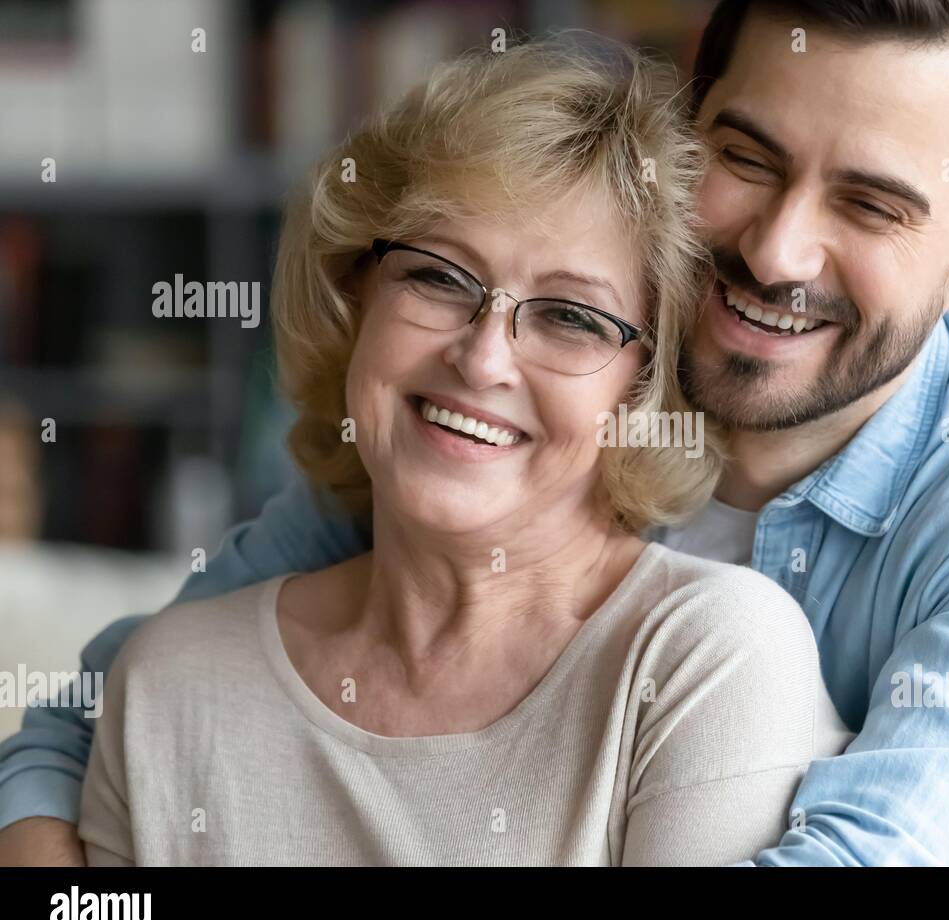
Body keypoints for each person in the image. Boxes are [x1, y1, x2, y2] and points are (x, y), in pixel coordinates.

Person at [0, 0, 949, 867]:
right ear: (683, 142)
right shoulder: (519, 403)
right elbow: (118, 701)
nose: (777, 251)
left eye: (869, 204)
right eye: (747, 158)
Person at [72, 37, 853, 866]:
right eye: (440, 277)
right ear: (355, 296)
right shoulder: (168, 683)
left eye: (571, 317)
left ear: (643, 387)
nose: (483, 360)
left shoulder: (706, 658)